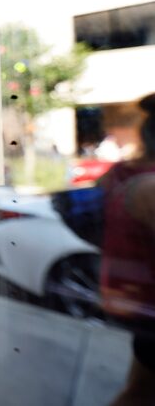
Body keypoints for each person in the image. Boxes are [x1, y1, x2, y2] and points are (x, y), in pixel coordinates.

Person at [100, 92, 155, 406]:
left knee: (139, 391)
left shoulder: (127, 176)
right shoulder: (148, 187)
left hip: (140, 308)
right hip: (147, 311)